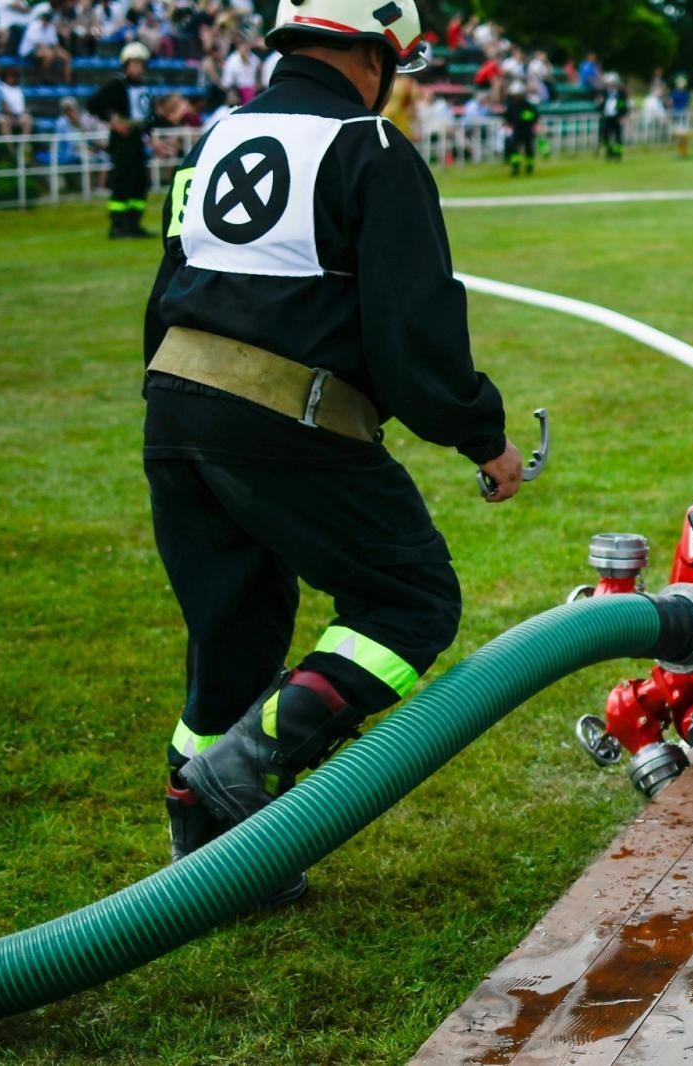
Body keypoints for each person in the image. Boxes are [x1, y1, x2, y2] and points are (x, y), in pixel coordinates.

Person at [145, 0, 526, 907]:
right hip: (288, 419)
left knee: (231, 630)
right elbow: (414, 332)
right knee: (409, 601)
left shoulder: (213, 137)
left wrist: (177, 425)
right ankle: (248, 766)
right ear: (374, 54)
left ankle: (213, 863)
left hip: (174, 412)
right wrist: (485, 436)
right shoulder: (372, 148)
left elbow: (169, 287)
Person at [88, 41, 156, 237]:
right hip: (121, 140)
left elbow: (148, 115)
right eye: (134, 63)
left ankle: (134, 223)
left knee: (139, 182)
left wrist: (150, 137)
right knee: (122, 180)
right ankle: (117, 225)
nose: (138, 68)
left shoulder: (144, 86)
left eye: (141, 64)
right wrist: (112, 121)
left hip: (137, 139)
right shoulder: (116, 84)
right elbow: (94, 104)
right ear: (126, 64)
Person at [505, 75, 539, 175]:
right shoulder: (511, 106)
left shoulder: (528, 105)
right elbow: (507, 117)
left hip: (527, 130)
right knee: (515, 149)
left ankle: (529, 167)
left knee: (529, 149)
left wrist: (524, 118)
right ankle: (515, 167)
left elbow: (534, 116)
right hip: (517, 130)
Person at [598, 70, 629, 161]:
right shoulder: (605, 93)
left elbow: (622, 106)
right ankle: (609, 151)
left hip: (616, 118)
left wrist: (622, 115)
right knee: (605, 136)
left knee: (618, 136)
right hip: (607, 117)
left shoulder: (620, 94)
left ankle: (618, 154)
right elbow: (602, 105)